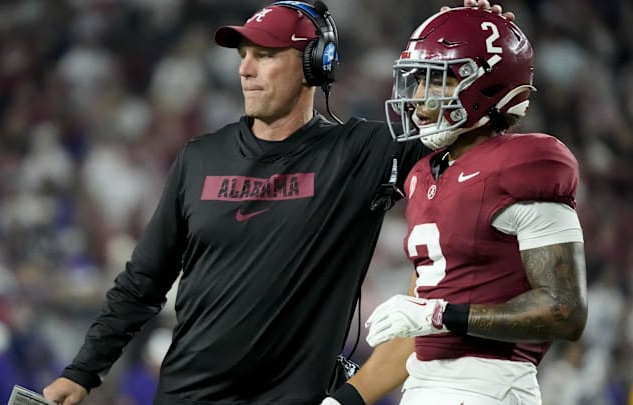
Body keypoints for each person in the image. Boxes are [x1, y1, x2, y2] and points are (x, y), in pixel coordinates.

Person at [42, 2, 515, 404]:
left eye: (266, 55)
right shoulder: (199, 157)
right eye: (244, 54)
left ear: (315, 65)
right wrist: (83, 371)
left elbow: (470, 134)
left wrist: (489, 49)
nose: (245, 68)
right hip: (186, 395)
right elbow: (141, 284)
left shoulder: (361, 154)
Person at [325, 6, 588, 405]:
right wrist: (344, 401)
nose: (415, 99)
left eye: (434, 81)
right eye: (415, 82)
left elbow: (564, 310)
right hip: (425, 387)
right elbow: (417, 331)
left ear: (484, 84)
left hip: (490, 387)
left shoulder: (525, 163)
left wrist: (440, 316)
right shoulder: (422, 176)